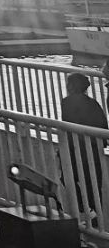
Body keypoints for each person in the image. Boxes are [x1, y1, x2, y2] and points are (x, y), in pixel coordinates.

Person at [61, 72, 106, 216]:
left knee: (67, 176)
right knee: (93, 185)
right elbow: (104, 125)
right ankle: (96, 215)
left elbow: (68, 126)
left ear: (71, 86)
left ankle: (83, 207)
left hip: (75, 148)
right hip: (94, 147)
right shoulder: (94, 103)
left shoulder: (66, 102)